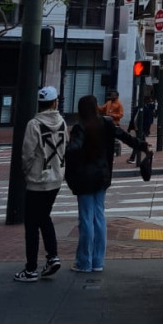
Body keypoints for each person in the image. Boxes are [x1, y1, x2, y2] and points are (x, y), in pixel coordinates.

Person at [65, 94, 148, 273]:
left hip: (84, 177)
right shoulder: (106, 123)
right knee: (99, 216)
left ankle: (84, 261)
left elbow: (73, 150)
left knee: (86, 218)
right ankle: (98, 261)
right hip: (102, 175)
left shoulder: (81, 127)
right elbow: (125, 136)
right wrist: (142, 145)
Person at [14, 86, 68, 283]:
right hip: (56, 178)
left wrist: (28, 172)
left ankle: (31, 269)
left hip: (38, 180)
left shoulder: (34, 124)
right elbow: (65, 147)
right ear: (54, 103)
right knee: (44, 217)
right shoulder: (62, 123)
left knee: (32, 225)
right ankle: (52, 256)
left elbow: (27, 154)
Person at [98, 89, 124, 156]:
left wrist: (112, 115)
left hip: (114, 124)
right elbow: (101, 109)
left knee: (114, 139)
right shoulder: (108, 103)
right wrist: (96, 105)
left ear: (117, 96)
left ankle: (117, 149)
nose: (112, 96)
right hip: (107, 124)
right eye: (111, 95)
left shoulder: (119, 104)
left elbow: (121, 115)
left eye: (113, 95)